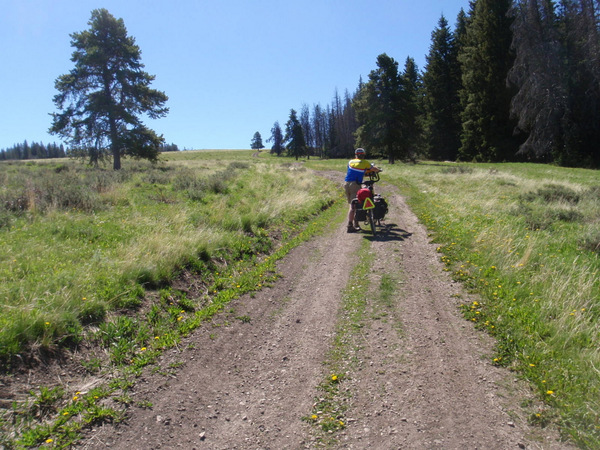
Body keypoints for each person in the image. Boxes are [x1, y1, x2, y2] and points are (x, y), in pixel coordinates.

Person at [344, 148, 380, 233]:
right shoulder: (365, 162)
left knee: (352, 203)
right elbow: (373, 169)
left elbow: (355, 171)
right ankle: (350, 225)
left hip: (346, 184)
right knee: (354, 206)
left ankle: (355, 224)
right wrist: (378, 170)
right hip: (355, 184)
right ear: (363, 155)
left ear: (356, 155)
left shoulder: (350, 162)